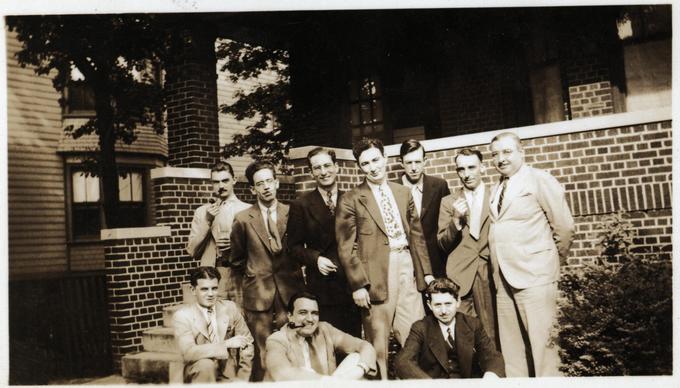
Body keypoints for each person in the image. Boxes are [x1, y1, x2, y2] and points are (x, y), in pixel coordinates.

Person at [335, 137, 434, 379]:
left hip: (407, 265)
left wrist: (427, 273)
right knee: (378, 341)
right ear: (360, 167)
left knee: (415, 332)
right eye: (365, 163)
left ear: (386, 158)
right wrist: (358, 285)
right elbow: (345, 247)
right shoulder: (351, 198)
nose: (373, 167)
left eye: (376, 160)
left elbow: (417, 237)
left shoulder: (403, 192)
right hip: (377, 273)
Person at [488, 132, 575, 377]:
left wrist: (551, 262)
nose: (500, 159)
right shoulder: (498, 186)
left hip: (536, 275)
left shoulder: (539, 179)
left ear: (521, 152)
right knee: (513, 353)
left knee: (544, 350)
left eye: (507, 152)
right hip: (503, 278)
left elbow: (565, 228)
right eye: (495, 154)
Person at [229, 160, 305, 381]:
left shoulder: (292, 212)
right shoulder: (243, 219)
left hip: (290, 291)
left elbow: (300, 248)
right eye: (259, 183)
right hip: (258, 293)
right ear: (253, 189)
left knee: (292, 343)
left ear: (277, 183)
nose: (266, 187)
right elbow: (237, 259)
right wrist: (255, 273)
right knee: (262, 350)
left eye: (269, 181)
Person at [287, 147, 361, 338]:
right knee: (327, 342)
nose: (323, 172)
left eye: (327, 165)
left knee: (353, 341)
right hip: (323, 287)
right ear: (311, 172)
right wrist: (315, 259)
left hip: (353, 283)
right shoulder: (301, 205)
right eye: (317, 168)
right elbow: (293, 248)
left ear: (337, 167)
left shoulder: (354, 199)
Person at [437, 148, 497, 347]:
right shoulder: (449, 202)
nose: (467, 173)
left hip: (490, 270)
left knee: (492, 331)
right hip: (460, 275)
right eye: (461, 169)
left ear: (483, 167)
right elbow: (443, 243)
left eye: (472, 167)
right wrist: (455, 221)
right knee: (465, 335)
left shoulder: (496, 195)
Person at [394, 277, 504, 379]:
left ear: (458, 302)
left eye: (448, 304)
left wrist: (491, 376)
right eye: (437, 305)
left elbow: (492, 356)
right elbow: (403, 362)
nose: (443, 311)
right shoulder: (420, 327)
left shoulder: (473, 324)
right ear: (429, 305)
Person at [264, 292, 377, 381]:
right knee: (303, 372)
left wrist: (361, 368)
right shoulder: (277, 340)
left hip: (330, 384)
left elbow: (364, 346)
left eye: (314, 313)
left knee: (356, 358)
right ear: (290, 316)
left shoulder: (324, 329)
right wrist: (327, 382)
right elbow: (281, 373)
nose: (310, 319)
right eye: (303, 312)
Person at [173, 266, 254, 383]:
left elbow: (247, 343)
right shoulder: (183, 316)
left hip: (228, 373)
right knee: (206, 365)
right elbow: (188, 353)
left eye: (214, 288)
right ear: (192, 290)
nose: (210, 294)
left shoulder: (229, 308)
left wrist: (242, 378)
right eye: (204, 289)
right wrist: (226, 344)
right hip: (199, 374)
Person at [186, 161, 251, 304]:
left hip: (240, 275)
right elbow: (192, 250)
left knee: (240, 318)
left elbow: (257, 250)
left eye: (225, 180)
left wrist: (235, 245)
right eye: (216, 182)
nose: (221, 186)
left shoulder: (248, 210)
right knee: (215, 321)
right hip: (212, 277)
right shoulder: (202, 212)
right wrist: (207, 221)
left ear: (234, 180)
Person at [398, 139, 451, 277]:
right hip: (407, 263)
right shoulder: (393, 190)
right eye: (409, 162)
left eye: (418, 161)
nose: (414, 167)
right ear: (401, 163)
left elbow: (445, 227)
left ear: (425, 160)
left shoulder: (440, 186)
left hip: (437, 261)